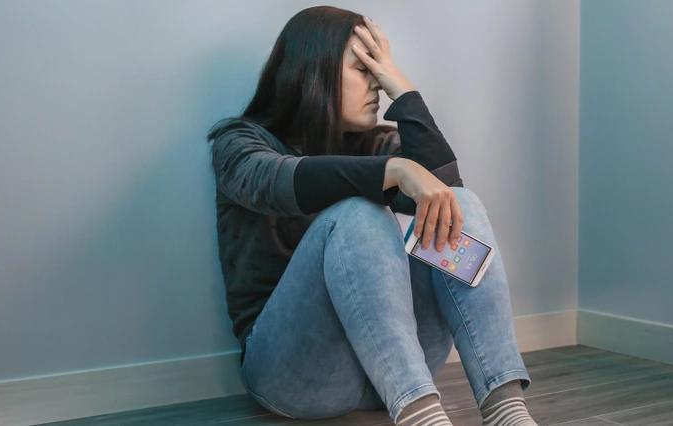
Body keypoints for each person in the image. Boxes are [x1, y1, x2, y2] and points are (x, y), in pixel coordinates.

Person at [205, 6, 536, 426]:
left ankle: (506, 409)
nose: (376, 85)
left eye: (379, 72)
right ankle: (422, 417)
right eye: (364, 69)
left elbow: (443, 190)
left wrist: (405, 91)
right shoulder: (240, 143)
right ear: (314, 71)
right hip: (294, 374)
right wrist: (391, 172)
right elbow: (283, 183)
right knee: (357, 211)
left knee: (459, 203)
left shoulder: (378, 143)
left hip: (391, 369)